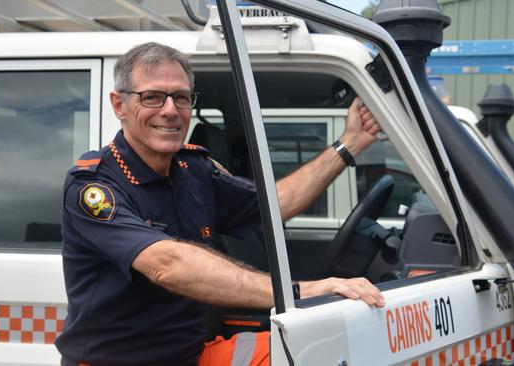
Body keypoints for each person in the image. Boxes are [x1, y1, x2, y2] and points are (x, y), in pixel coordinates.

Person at [57, 42, 385, 366]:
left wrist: (352, 142)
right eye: (152, 97)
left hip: (193, 354)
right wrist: (302, 292)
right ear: (119, 104)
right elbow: (167, 264)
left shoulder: (194, 169)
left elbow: (277, 204)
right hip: (114, 361)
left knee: (318, 350)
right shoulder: (93, 186)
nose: (170, 110)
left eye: (181, 98)